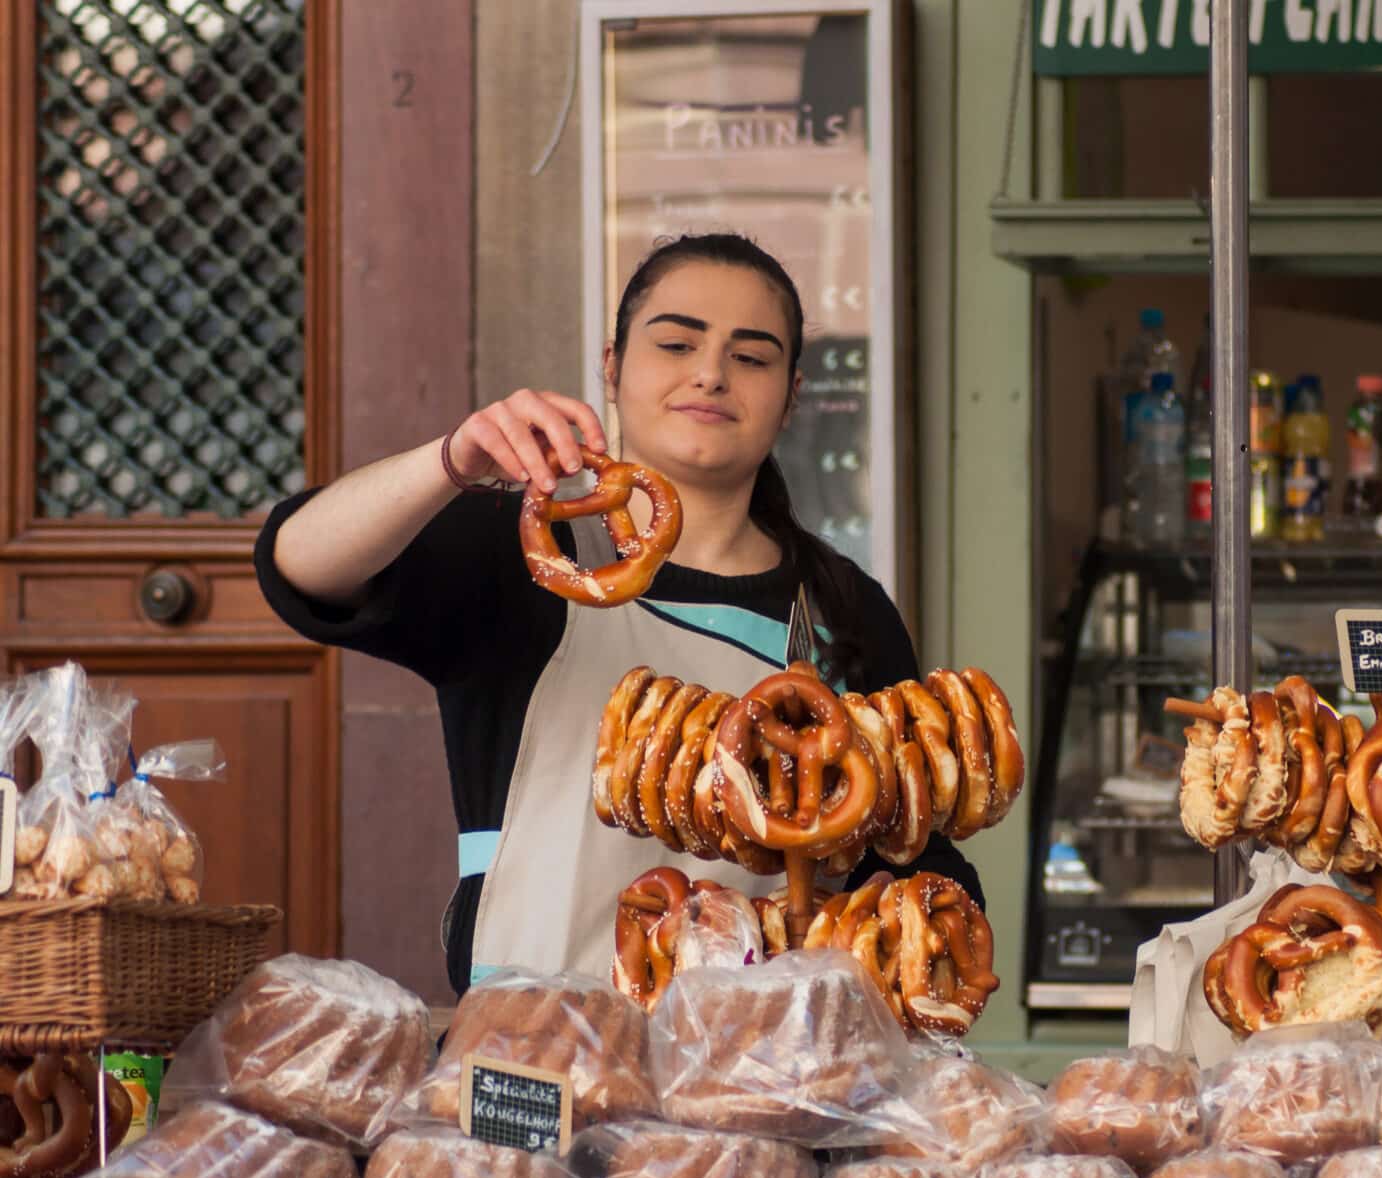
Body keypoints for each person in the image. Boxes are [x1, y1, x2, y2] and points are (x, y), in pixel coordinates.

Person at [257, 234, 982, 993]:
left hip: (756, 1066)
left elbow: (904, 851)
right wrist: (452, 462)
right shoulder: (520, 559)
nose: (710, 373)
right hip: (532, 1046)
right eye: (675, 343)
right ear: (612, 366)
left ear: (791, 394)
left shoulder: (841, 608)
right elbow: (298, 567)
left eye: (753, 357)